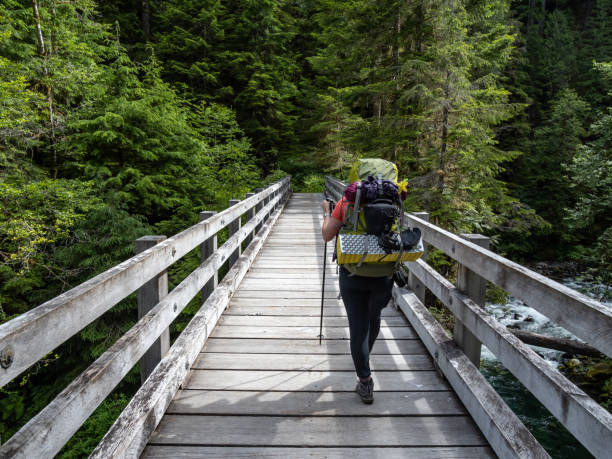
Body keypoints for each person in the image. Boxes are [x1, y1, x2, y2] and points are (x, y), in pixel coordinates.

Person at [321, 197, 394, 404]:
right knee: (374, 317)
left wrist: (327, 211)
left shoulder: (346, 203)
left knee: (358, 327)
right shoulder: (394, 201)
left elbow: (327, 235)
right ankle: (363, 357)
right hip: (384, 272)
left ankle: (365, 381)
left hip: (354, 274)